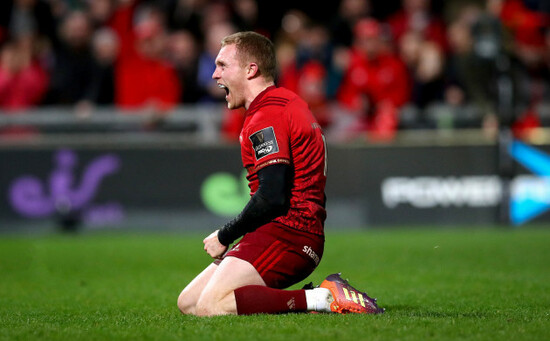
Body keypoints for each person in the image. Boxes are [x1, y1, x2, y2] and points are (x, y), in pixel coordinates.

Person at [177, 31, 383, 316]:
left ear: (251, 70)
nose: (214, 75)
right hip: (279, 230)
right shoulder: (283, 103)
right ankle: (308, 296)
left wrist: (225, 236)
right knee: (188, 303)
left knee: (210, 305)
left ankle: (320, 298)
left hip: (291, 234)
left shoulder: (267, 115)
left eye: (222, 65)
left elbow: (272, 195)